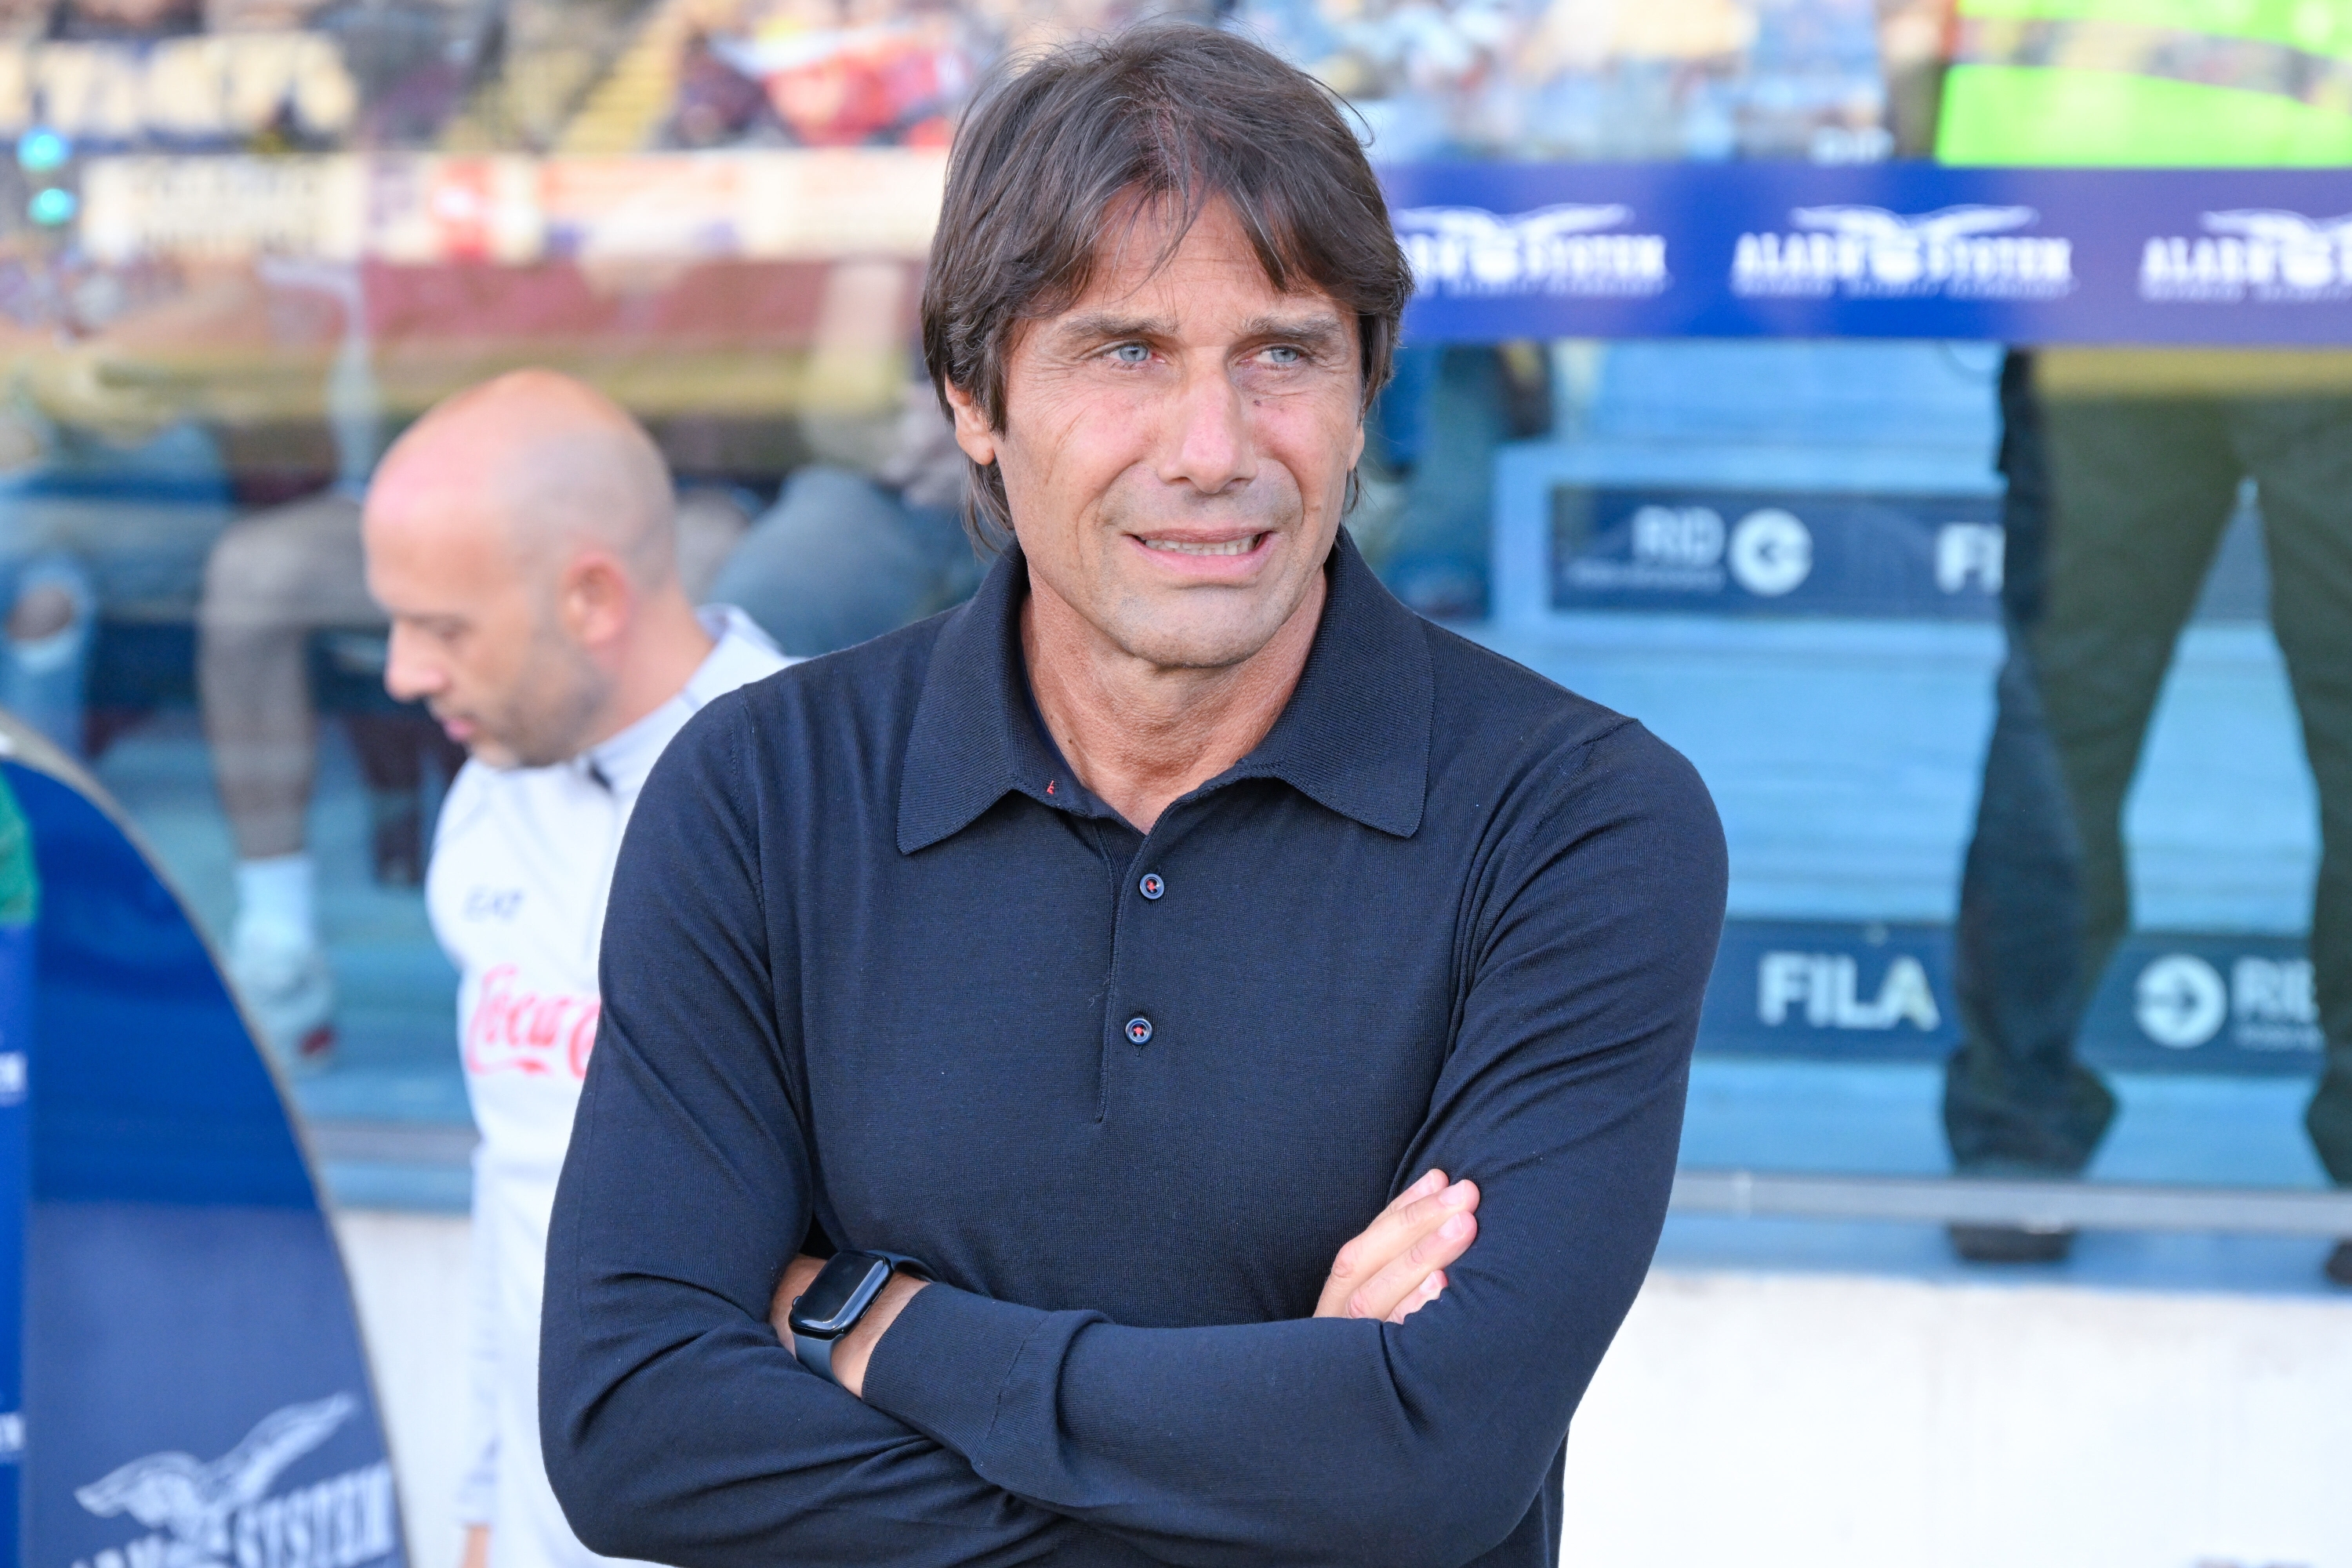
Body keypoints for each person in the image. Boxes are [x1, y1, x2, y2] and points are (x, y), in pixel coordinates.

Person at [540, 27, 1726, 1568]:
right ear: (974, 396)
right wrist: (1285, 1445)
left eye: (1283, 352)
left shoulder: (1576, 822)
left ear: (1366, 391)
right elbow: (634, 1430)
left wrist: (873, 1323)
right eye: (1125, 353)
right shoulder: (766, 791)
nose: (1213, 450)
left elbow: (1434, 1457)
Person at [1934, 0, 2352, 1279]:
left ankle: (2017, 1139)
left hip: (2099, 239)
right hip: (2307, 244)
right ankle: (2015, 1129)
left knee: (2068, 718)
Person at [361, 370, 787, 1568]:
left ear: (592, 596)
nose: (401, 673)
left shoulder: (822, 802)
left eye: (442, 628)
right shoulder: (487, 803)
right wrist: (485, 1507)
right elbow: (516, 1183)